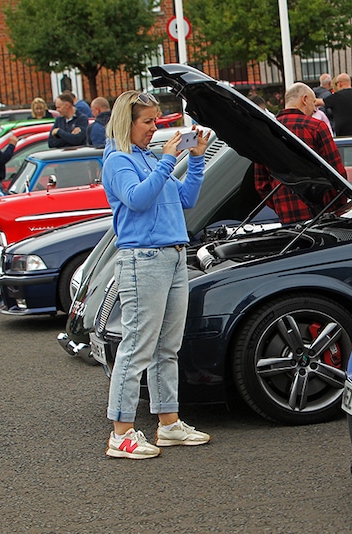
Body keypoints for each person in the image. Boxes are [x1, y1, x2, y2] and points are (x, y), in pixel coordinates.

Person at [101, 90, 211, 459]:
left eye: (156, 120)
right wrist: (168, 161)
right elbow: (137, 198)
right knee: (137, 347)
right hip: (143, 260)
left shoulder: (147, 158)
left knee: (167, 347)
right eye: (147, 121)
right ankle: (121, 433)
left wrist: (195, 160)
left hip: (173, 256)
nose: (155, 128)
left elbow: (186, 198)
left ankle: (168, 424)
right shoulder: (118, 161)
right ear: (126, 123)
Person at [255, 82, 347, 224]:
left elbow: (261, 183)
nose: (315, 108)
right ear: (304, 99)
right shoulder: (316, 127)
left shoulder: (265, 132)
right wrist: (337, 206)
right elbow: (337, 172)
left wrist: (280, 205)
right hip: (322, 212)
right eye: (313, 102)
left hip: (286, 214)